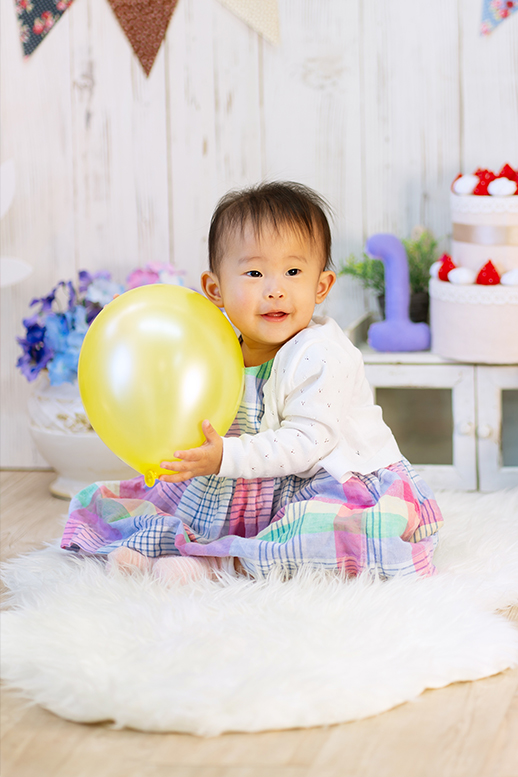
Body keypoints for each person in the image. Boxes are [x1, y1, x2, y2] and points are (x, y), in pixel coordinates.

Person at [61, 181, 443, 583]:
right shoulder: (213, 345)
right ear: (216, 289)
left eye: (293, 272)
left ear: (321, 287)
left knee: (320, 530)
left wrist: (224, 457)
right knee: (174, 503)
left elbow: (306, 443)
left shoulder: (322, 353)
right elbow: (176, 387)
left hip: (327, 478)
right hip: (250, 479)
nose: (275, 290)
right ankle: (168, 545)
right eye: (255, 272)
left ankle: (222, 566)